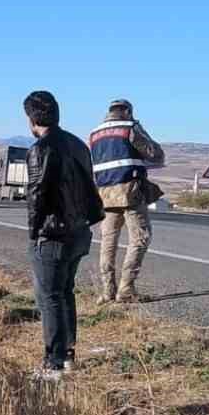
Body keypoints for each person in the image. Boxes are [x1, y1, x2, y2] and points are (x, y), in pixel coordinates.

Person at [24, 90, 104, 381]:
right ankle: (68, 356)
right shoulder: (77, 144)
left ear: (32, 119)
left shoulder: (41, 149)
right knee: (65, 292)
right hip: (79, 231)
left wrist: (34, 234)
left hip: (53, 235)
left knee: (50, 297)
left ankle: (54, 363)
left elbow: (37, 195)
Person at [88, 99, 166, 303]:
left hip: (104, 193)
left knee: (108, 242)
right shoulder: (129, 128)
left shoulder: (94, 133)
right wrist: (142, 130)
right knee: (141, 237)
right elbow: (155, 154)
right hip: (129, 191)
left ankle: (107, 291)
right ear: (127, 111)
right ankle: (127, 289)